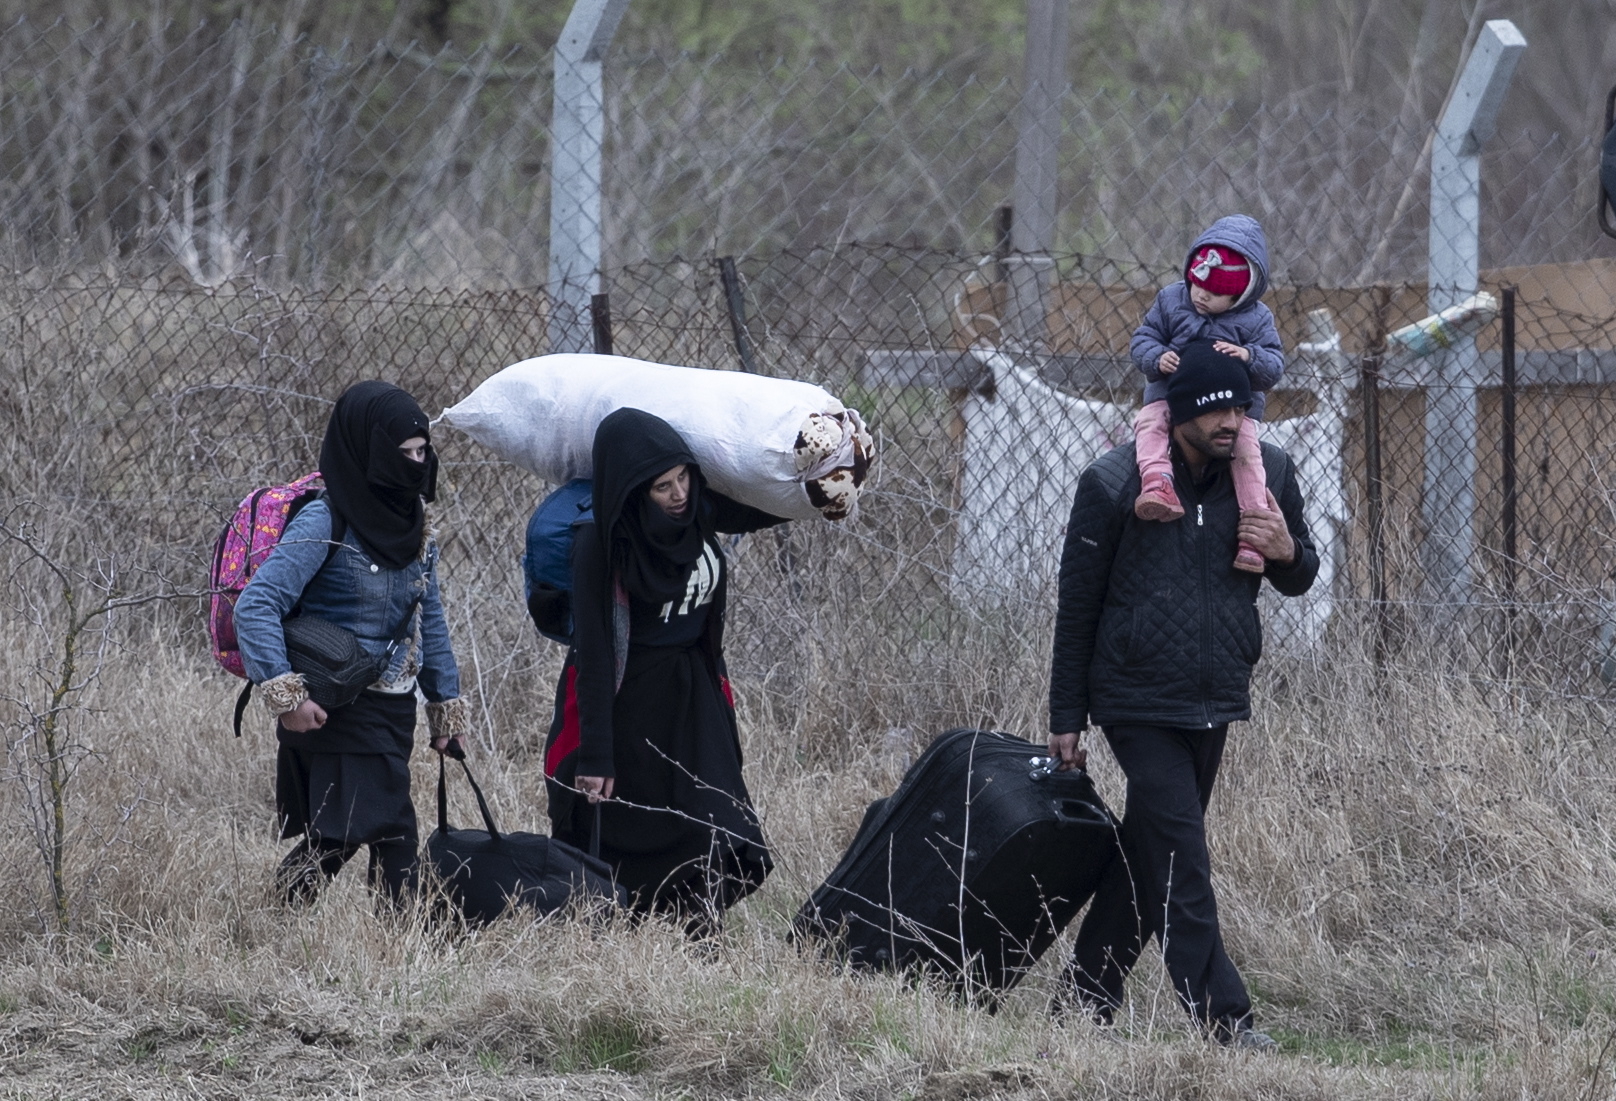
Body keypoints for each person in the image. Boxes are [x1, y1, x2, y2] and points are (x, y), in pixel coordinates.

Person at [1046, 344, 1319, 1049]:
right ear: (1181, 413)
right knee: (1185, 856)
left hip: (1217, 691)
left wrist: (1287, 550)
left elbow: (1300, 575)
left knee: (1152, 850)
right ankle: (1224, 1019)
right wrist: (1066, 718)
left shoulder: (1269, 474)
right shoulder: (1116, 483)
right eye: (1217, 409)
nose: (1233, 420)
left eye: (1241, 407)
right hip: (1134, 697)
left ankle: (1084, 1001)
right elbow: (1077, 607)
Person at [541, 407, 783, 936]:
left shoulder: (698, 511)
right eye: (661, 487)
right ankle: (653, 938)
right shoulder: (600, 544)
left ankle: (700, 939)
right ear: (632, 492)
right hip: (630, 706)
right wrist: (596, 755)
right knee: (642, 833)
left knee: (717, 820)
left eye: (683, 478)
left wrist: (821, 485)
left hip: (694, 698)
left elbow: (768, 505)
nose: (678, 494)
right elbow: (596, 656)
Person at [235, 381, 467, 907]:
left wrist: (443, 709)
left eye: (422, 451)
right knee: (389, 827)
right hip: (335, 704)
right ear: (370, 452)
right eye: (403, 453)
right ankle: (403, 944)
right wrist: (287, 699)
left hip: (393, 705)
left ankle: (277, 918)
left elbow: (428, 617)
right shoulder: (326, 519)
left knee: (339, 835)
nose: (416, 464)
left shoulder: (416, 524)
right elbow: (257, 605)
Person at [1128, 213, 1285, 573]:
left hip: (1230, 411)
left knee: (1248, 455)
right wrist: (1156, 357)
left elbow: (1274, 366)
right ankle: (1157, 483)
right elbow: (1142, 339)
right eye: (1197, 285)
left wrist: (1250, 356)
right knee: (1149, 423)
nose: (1200, 295)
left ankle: (1253, 531)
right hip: (1169, 395)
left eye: (1213, 294)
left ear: (1239, 295)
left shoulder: (1257, 319)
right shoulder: (1171, 300)